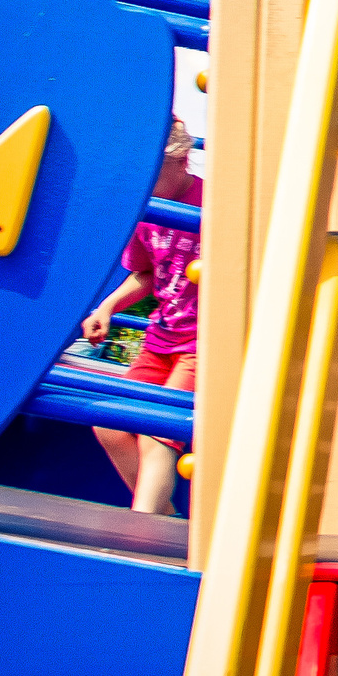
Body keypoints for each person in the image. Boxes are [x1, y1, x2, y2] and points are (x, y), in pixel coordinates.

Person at [80, 118, 203, 515]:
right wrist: (107, 307)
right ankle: (161, 519)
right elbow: (146, 273)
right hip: (163, 336)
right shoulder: (147, 208)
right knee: (109, 424)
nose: (144, 177)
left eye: (154, 167)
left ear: (182, 159)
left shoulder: (213, 202)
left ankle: (142, 532)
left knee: (157, 435)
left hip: (202, 344)